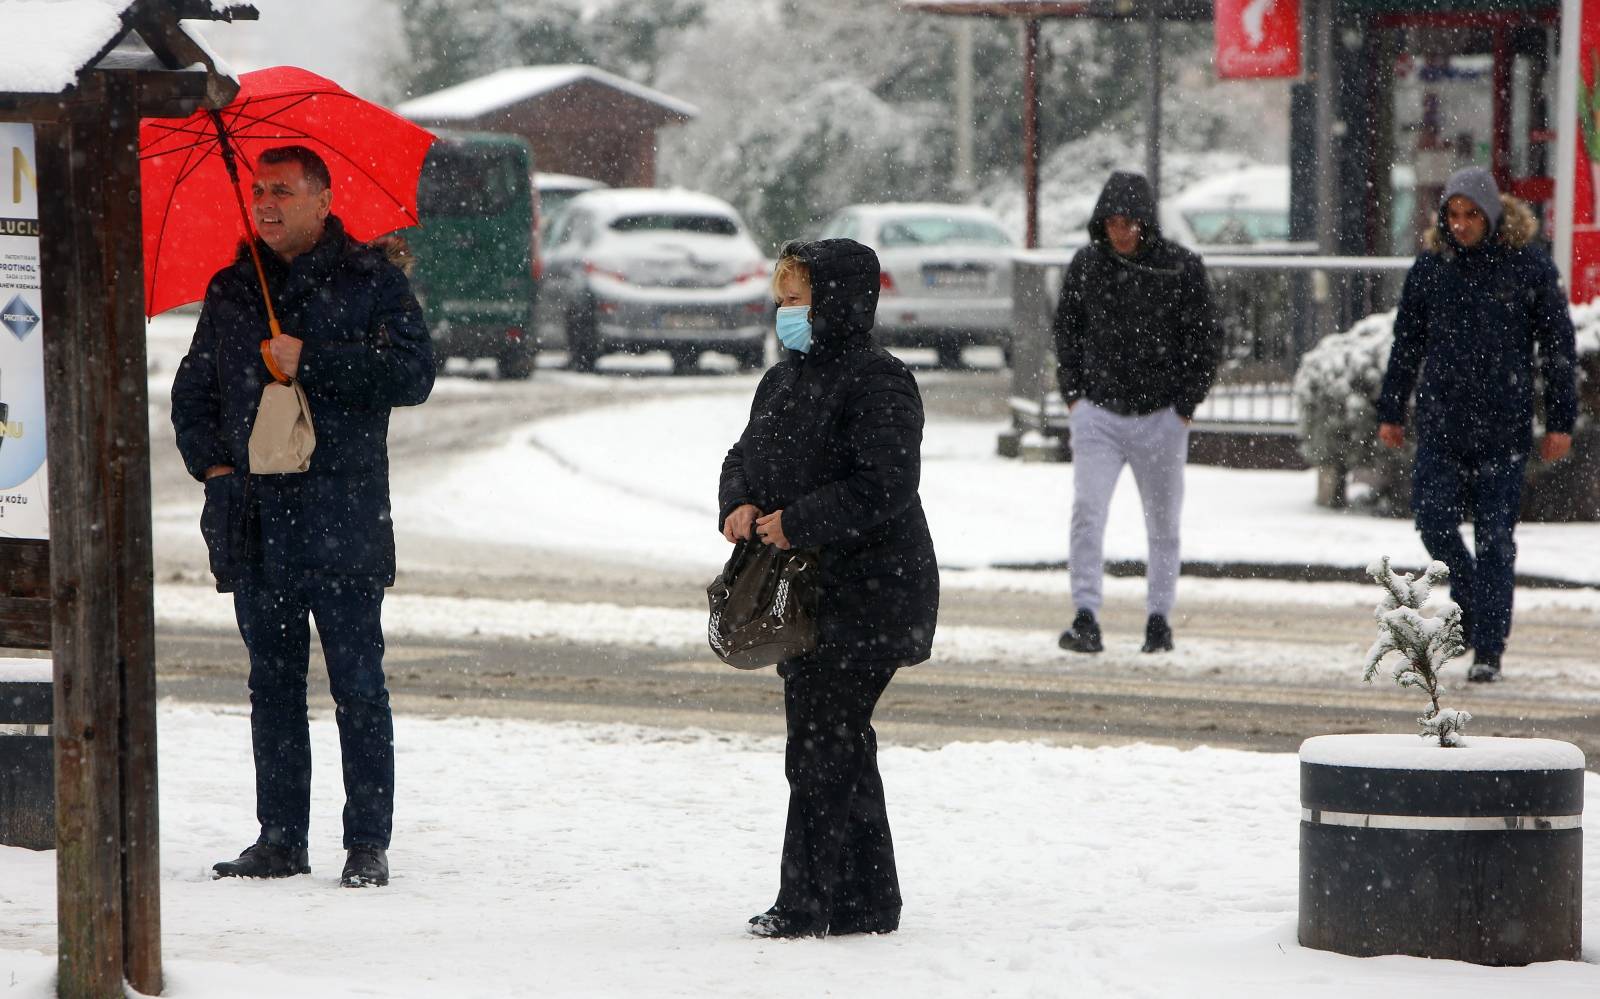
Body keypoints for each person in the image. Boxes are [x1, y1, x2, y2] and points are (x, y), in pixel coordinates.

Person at [171, 145, 435, 888]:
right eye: (258, 190)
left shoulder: (372, 281)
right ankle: (280, 837)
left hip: (343, 515)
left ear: (323, 199)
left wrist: (310, 358)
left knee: (357, 684)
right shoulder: (231, 289)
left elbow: (413, 375)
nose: (265, 203)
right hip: (256, 520)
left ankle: (366, 842)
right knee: (273, 684)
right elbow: (192, 398)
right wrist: (216, 469)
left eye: (282, 190)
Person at [719, 238, 939, 939]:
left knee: (820, 742)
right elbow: (742, 454)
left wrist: (800, 521)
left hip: (874, 592)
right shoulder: (783, 381)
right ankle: (870, 898)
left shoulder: (879, 380)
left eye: (797, 299)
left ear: (837, 302)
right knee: (838, 739)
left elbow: (887, 483)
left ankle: (806, 900)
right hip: (810, 597)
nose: (786, 313)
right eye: (781, 299)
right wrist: (740, 501)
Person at [1376, 166, 1577, 683]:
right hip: (1442, 422)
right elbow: (1407, 344)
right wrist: (1391, 409)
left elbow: (1557, 348)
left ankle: (1489, 647)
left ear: (1491, 215)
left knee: (1496, 539)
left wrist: (1560, 420)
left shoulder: (1527, 267)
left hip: (1503, 427)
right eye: (1453, 215)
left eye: (1470, 214)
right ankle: (1467, 597)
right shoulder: (1431, 268)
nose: (1461, 225)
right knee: (1432, 519)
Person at [1052, 171, 1222, 655]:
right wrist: (1075, 397)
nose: (1121, 232)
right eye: (1112, 222)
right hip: (1098, 413)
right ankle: (1085, 614)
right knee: (1088, 512)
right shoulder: (1086, 266)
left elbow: (1205, 341)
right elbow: (1067, 330)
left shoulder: (1181, 268)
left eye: (1129, 222)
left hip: (1160, 416)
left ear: (1146, 222)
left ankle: (1158, 618)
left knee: (1163, 523)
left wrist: (1184, 407)